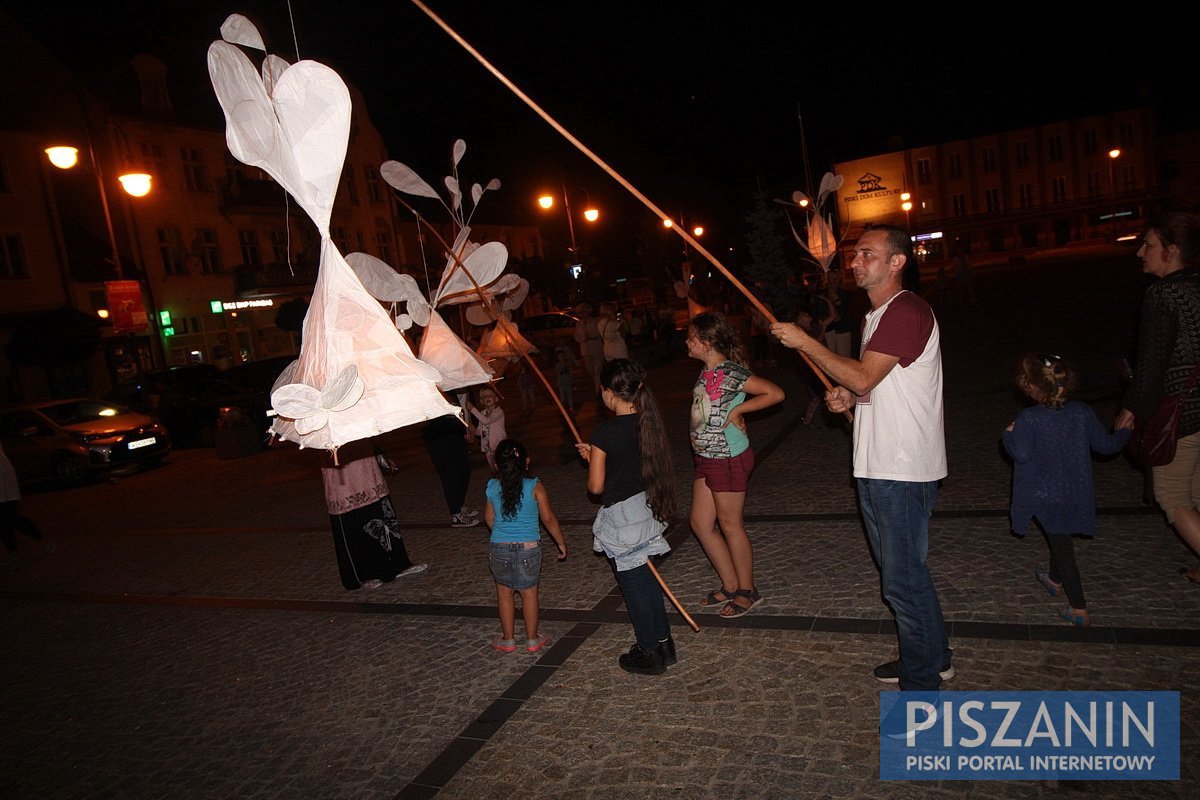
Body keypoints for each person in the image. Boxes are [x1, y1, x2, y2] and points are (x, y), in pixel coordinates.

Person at [770, 223, 951, 691]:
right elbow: (873, 384)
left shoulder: (905, 310)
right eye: (855, 254)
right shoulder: (877, 317)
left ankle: (922, 679)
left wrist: (805, 341)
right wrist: (849, 400)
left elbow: (865, 376)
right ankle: (932, 655)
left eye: (868, 254)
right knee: (903, 574)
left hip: (901, 468)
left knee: (902, 580)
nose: (854, 261)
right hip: (876, 464)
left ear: (897, 262)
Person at [1003, 354, 1130, 627]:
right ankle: (1053, 578)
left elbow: (1021, 454)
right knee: (1058, 535)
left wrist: (1009, 435)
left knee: (1063, 548)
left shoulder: (1030, 418)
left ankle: (1078, 608)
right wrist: (1123, 433)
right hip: (1075, 491)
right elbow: (1105, 446)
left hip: (1046, 496)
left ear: (1032, 388)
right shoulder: (1082, 412)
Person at [575, 359, 678, 675]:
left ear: (608, 394)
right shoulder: (648, 421)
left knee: (634, 588)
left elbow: (596, 486)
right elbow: (631, 462)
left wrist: (595, 458)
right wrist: (597, 457)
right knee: (648, 581)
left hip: (624, 520)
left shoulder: (604, 431)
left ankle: (649, 652)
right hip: (648, 510)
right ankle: (664, 644)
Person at [1115, 212, 1200, 583]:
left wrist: (1130, 410)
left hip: (1182, 412)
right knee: (1196, 489)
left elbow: (1152, 363)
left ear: (1172, 250)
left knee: (1172, 494)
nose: (1139, 252)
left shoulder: (1164, 293)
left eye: (1148, 245)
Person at [686, 312, 785, 617]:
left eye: (691, 337)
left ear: (705, 343)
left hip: (727, 458)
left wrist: (739, 410)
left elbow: (775, 393)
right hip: (707, 458)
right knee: (701, 524)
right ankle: (730, 584)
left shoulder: (730, 372)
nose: (686, 341)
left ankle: (747, 591)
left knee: (730, 525)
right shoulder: (707, 371)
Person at [484, 438, 568, 653]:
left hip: (499, 546)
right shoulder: (535, 486)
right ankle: (532, 639)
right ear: (527, 462)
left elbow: (489, 519)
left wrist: (504, 533)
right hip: (529, 547)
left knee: (504, 593)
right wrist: (560, 542)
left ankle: (508, 639)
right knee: (529, 593)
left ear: (496, 465)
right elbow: (548, 518)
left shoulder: (492, 486)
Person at [321, 439, 428, 591]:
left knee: (382, 515)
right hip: (340, 469)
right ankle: (362, 576)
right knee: (353, 521)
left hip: (365, 462)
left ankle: (396, 565)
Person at [421, 408, 480, 528]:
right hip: (438, 436)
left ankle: (459, 504)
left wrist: (466, 427)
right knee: (450, 475)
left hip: (454, 431)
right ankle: (456, 514)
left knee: (464, 471)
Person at [1, 441, 54, 568]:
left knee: (10, 517)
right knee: (3, 521)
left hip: (3, 480)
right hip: (4, 481)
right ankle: (13, 552)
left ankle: (42, 539)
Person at [468, 385, 507, 471]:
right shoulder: (482, 413)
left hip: (499, 446)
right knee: (494, 469)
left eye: (490, 395)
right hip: (487, 448)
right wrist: (473, 430)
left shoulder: (499, 412)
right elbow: (479, 431)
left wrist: (473, 410)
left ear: (496, 398)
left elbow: (486, 421)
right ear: (482, 401)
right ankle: (497, 482)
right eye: (484, 396)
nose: (487, 397)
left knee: (503, 468)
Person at [573, 303, 605, 398]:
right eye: (580, 313)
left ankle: (597, 391)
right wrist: (583, 338)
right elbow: (576, 337)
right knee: (590, 370)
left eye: (583, 312)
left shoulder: (596, 321)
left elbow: (597, 333)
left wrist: (590, 336)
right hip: (585, 351)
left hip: (596, 349)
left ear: (588, 312)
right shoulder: (579, 324)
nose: (582, 315)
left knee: (598, 371)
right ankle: (598, 386)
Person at [554, 345, 576, 415]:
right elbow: (559, 372)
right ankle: (563, 409)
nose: (562, 357)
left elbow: (571, 374)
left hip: (568, 383)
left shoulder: (568, 364)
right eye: (560, 356)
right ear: (558, 358)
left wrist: (573, 383)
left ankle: (571, 408)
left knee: (570, 396)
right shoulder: (557, 365)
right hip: (561, 384)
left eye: (563, 356)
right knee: (562, 397)